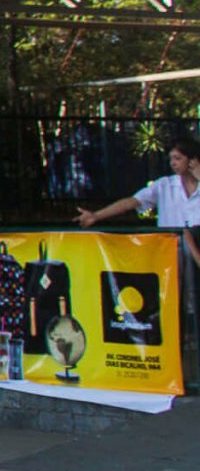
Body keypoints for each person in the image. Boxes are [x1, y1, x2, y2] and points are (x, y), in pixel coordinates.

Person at [78, 137, 200, 329]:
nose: (173, 163)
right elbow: (131, 202)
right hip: (169, 254)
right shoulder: (164, 185)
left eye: (178, 158)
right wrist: (96, 216)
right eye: (171, 159)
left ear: (192, 160)